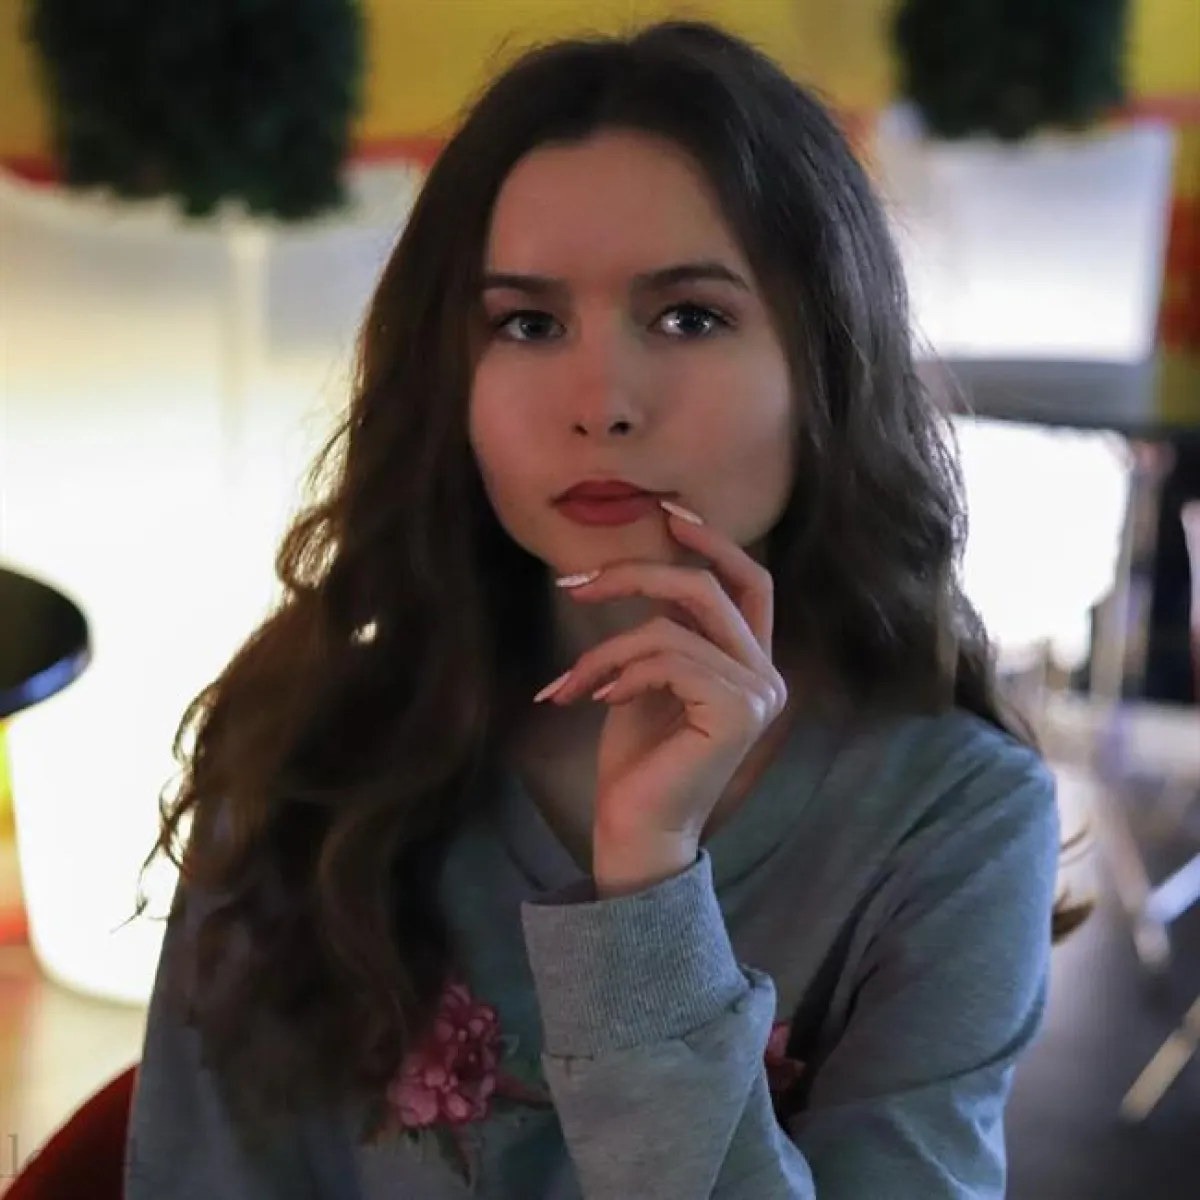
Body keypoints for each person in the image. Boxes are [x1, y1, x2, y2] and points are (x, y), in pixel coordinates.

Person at [125, 20, 1081, 1199]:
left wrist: (648, 888)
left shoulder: (954, 818)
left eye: (689, 316)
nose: (602, 403)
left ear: (826, 365)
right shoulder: (306, 744)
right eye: (527, 323)